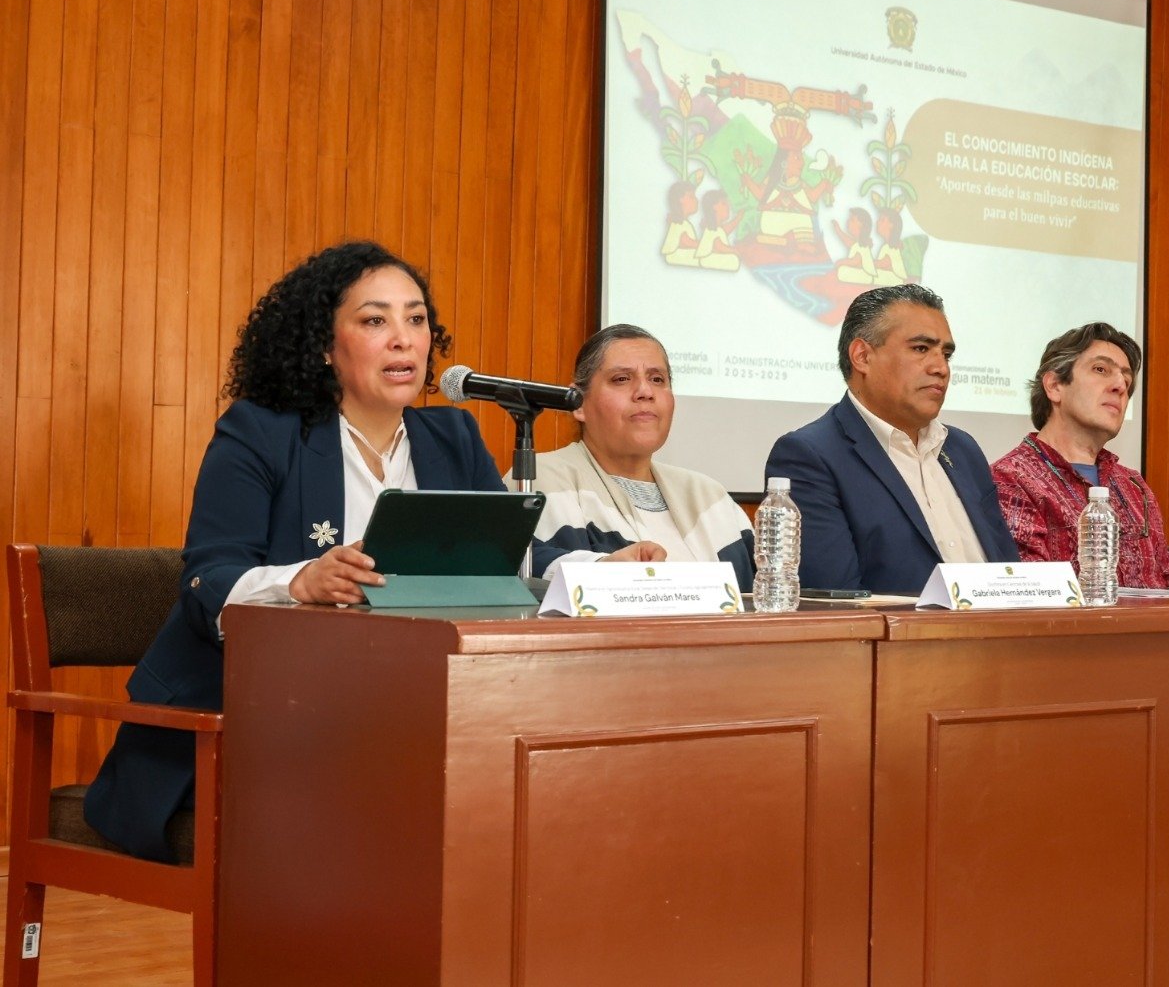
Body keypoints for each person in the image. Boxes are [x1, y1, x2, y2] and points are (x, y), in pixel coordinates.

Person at [84, 241, 506, 862]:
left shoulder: (453, 437)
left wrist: (599, 566)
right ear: (323, 346)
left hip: (409, 709)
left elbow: (510, 552)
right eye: (375, 320)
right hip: (255, 721)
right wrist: (300, 581)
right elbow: (209, 579)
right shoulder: (262, 432)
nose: (403, 339)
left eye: (416, 319)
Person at [764, 284, 1018, 594]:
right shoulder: (810, 456)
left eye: (946, 354)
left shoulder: (963, 449)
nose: (941, 368)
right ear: (862, 356)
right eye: (921, 349)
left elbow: (1011, 574)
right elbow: (838, 600)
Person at [518, 324, 755, 588]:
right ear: (578, 402)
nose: (645, 391)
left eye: (657, 379)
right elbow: (523, 577)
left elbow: (762, 596)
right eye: (621, 379)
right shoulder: (539, 481)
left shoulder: (711, 496)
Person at [991, 323, 1169, 588]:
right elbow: (1031, 591)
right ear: (1054, 385)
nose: (1120, 386)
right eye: (1101, 369)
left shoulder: (1134, 486)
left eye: (1127, 380)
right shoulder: (1010, 479)